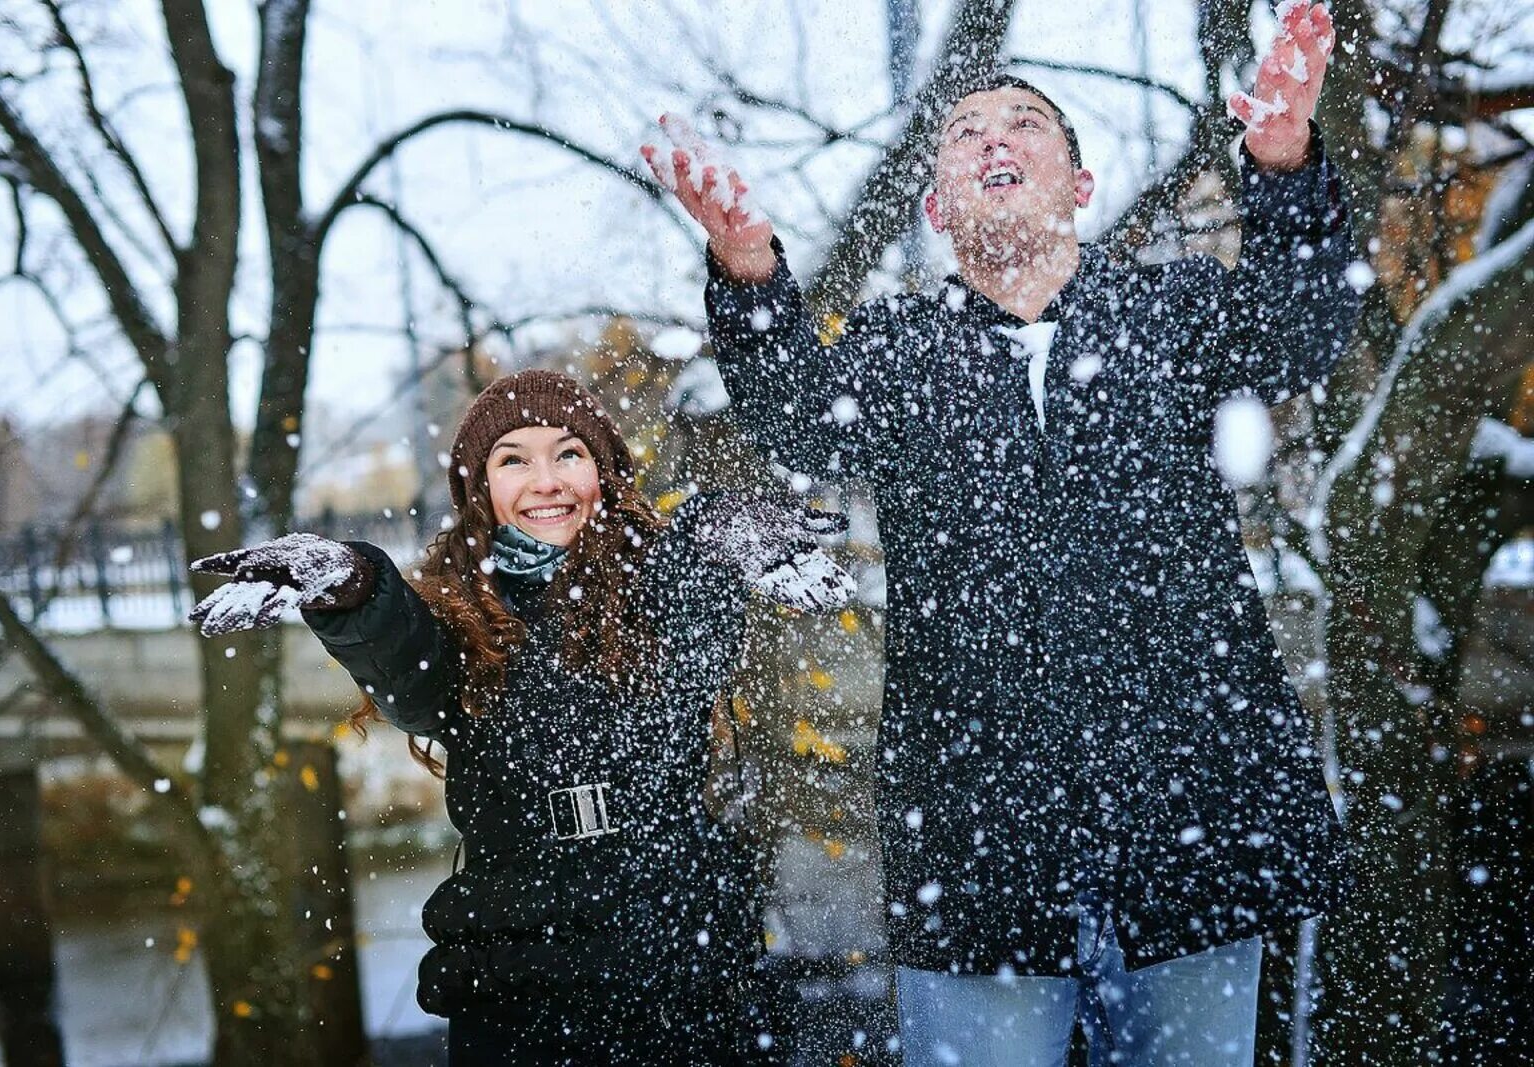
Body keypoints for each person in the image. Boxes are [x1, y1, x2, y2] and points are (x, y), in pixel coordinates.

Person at [643, 2, 1357, 1063]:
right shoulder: (894, 350)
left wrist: (1284, 163)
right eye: (965, 130)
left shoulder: (1173, 311)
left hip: (1187, 815)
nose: (991, 137)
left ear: (1078, 184)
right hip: (981, 844)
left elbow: (1302, 328)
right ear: (936, 205)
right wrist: (749, 269)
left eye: (1022, 123)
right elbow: (796, 415)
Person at [187, 369, 852, 1064]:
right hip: (519, 965)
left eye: (569, 453)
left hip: (682, 951)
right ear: (480, 489)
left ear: (604, 472)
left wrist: (707, 534)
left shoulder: (658, 580)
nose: (547, 480)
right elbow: (410, 680)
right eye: (514, 459)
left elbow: (690, 662)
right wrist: (355, 583)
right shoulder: (456, 617)